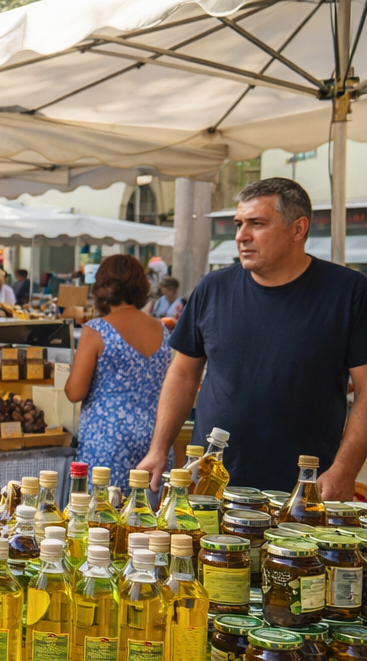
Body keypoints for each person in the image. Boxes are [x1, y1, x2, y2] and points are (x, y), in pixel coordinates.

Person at [136, 177, 367, 494]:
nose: (241, 236)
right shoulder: (212, 288)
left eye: (257, 224)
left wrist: (344, 470)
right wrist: (158, 448)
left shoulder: (349, 292)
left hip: (302, 492)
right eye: (238, 224)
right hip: (208, 485)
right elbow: (183, 375)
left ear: (298, 229)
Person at [65, 254, 172, 491]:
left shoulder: (97, 330)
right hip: (155, 439)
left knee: (102, 518)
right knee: (149, 519)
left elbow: (75, 392)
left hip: (107, 441)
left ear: (102, 286)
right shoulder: (162, 329)